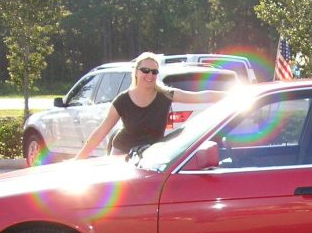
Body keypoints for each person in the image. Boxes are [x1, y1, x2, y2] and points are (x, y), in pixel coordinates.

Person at [74, 51, 229, 159]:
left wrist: (235, 95)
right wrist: (78, 159)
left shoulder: (165, 95)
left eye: (154, 72)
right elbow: (101, 131)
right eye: (145, 70)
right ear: (136, 72)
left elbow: (200, 96)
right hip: (122, 153)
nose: (150, 75)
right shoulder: (122, 100)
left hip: (152, 156)